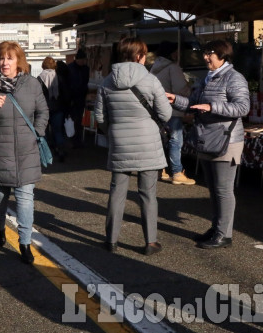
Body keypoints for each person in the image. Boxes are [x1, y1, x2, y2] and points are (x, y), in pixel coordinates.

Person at [166, 40, 250, 250]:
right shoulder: (207, 78)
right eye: (204, 53)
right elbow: (193, 103)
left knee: (223, 189)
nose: (205, 57)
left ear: (222, 55)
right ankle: (216, 228)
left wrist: (212, 106)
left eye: (209, 53)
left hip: (226, 140)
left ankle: (224, 234)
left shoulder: (234, 77)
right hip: (206, 139)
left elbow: (242, 107)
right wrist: (175, 99)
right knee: (213, 189)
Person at [94, 37, 172, 256]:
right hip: (148, 143)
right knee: (147, 194)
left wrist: (113, 130)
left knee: (117, 192)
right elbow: (165, 114)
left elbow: (99, 116)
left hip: (120, 142)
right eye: (144, 54)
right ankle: (150, 242)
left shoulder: (107, 81)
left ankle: (111, 240)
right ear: (139, 56)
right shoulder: (151, 80)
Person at [0, 41, 49, 264]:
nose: (4, 62)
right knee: (0, 197)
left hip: (27, 150)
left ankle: (25, 243)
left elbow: (43, 111)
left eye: (9, 58)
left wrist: (37, 132)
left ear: (19, 61)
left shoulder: (33, 85)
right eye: (1, 58)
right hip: (0, 150)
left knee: (26, 199)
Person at [150, 41, 195, 186]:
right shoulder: (172, 67)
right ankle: (177, 172)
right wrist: (190, 88)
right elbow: (180, 89)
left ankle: (159, 169)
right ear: (170, 53)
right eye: (175, 51)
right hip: (172, 109)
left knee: (160, 140)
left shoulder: (154, 67)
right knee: (176, 140)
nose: (177, 54)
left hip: (157, 108)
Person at [37, 56, 67, 161]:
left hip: (43, 109)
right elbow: (65, 94)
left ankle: (45, 152)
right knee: (58, 130)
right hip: (58, 108)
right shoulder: (59, 77)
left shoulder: (40, 78)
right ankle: (61, 150)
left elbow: (37, 95)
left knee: (44, 131)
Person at [68, 49, 90, 147]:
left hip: (81, 98)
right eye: (82, 59)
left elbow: (85, 82)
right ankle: (73, 139)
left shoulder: (85, 69)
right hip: (72, 98)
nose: (83, 61)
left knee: (79, 120)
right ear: (77, 59)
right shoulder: (70, 68)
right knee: (73, 119)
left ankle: (77, 140)